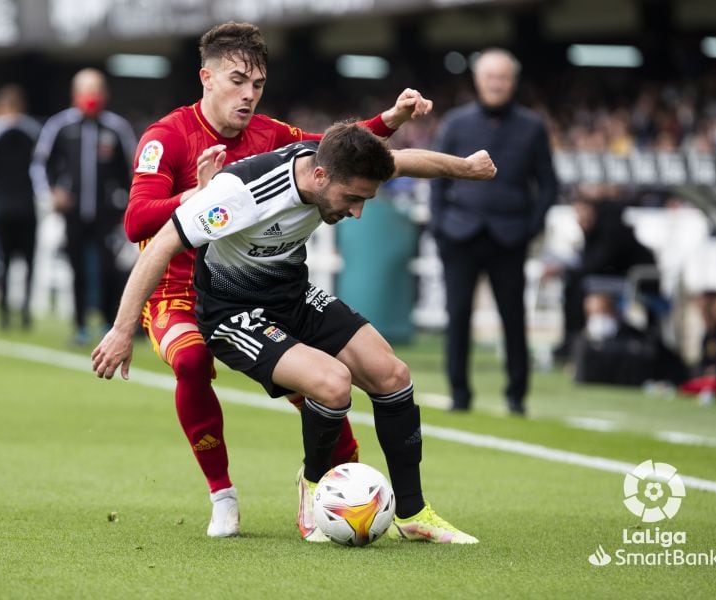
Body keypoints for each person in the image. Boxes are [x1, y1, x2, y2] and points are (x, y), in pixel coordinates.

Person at [92, 122, 496, 544]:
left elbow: (405, 161)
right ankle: (315, 488)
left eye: (365, 200)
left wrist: (466, 168)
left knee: (392, 375)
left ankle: (413, 514)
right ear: (320, 177)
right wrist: (122, 329)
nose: (357, 212)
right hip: (233, 313)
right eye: (353, 199)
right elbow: (160, 243)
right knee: (332, 383)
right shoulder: (240, 193)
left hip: (293, 297)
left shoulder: (341, 163)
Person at [117, 21, 434, 538]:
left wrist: (391, 119)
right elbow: (137, 221)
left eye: (257, 85)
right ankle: (222, 495)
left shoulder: (271, 134)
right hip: (178, 287)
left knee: (322, 385)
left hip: (261, 287)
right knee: (193, 361)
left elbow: (336, 152)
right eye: (238, 80)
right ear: (207, 78)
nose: (248, 95)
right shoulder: (166, 137)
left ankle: (339, 491)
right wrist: (198, 196)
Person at [429, 48, 558, 416]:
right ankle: (459, 394)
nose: (496, 84)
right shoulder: (455, 123)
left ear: (513, 82)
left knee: (513, 318)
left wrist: (530, 228)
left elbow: (548, 185)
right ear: (478, 81)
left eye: (503, 78)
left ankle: (517, 396)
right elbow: (436, 178)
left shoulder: (533, 126)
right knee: (458, 316)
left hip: (510, 236)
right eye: (490, 77)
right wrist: (440, 227)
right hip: (459, 235)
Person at [31, 68, 138, 345]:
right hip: (73, 212)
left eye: (96, 89)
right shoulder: (61, 126)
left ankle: (107, 322)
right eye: (85, 90)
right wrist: (51, 193)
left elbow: (134, 170)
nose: (91, 96)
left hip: (108, 214)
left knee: (108, 268)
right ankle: (79, 325)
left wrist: (130, 203)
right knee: (76, 268)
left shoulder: (116, 128)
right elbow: (41, 164)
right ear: (75, 94)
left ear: (105, 93)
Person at [549, 190, 657, 361]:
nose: (579, 218)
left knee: (576, 284)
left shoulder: (610, 229)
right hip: (613, 278)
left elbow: (599, 262)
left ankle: (574, 341)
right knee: (572, 282)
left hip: (633, 280)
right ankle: (572, 341)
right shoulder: (592, 230)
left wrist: (564, 270)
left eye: (581, 212)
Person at [0, 85, 41, 330]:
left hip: (3, 205)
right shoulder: (33, 130)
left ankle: (4, 312)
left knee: (3, 262)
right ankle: (25, 311)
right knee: (29, 262)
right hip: (27, 204)